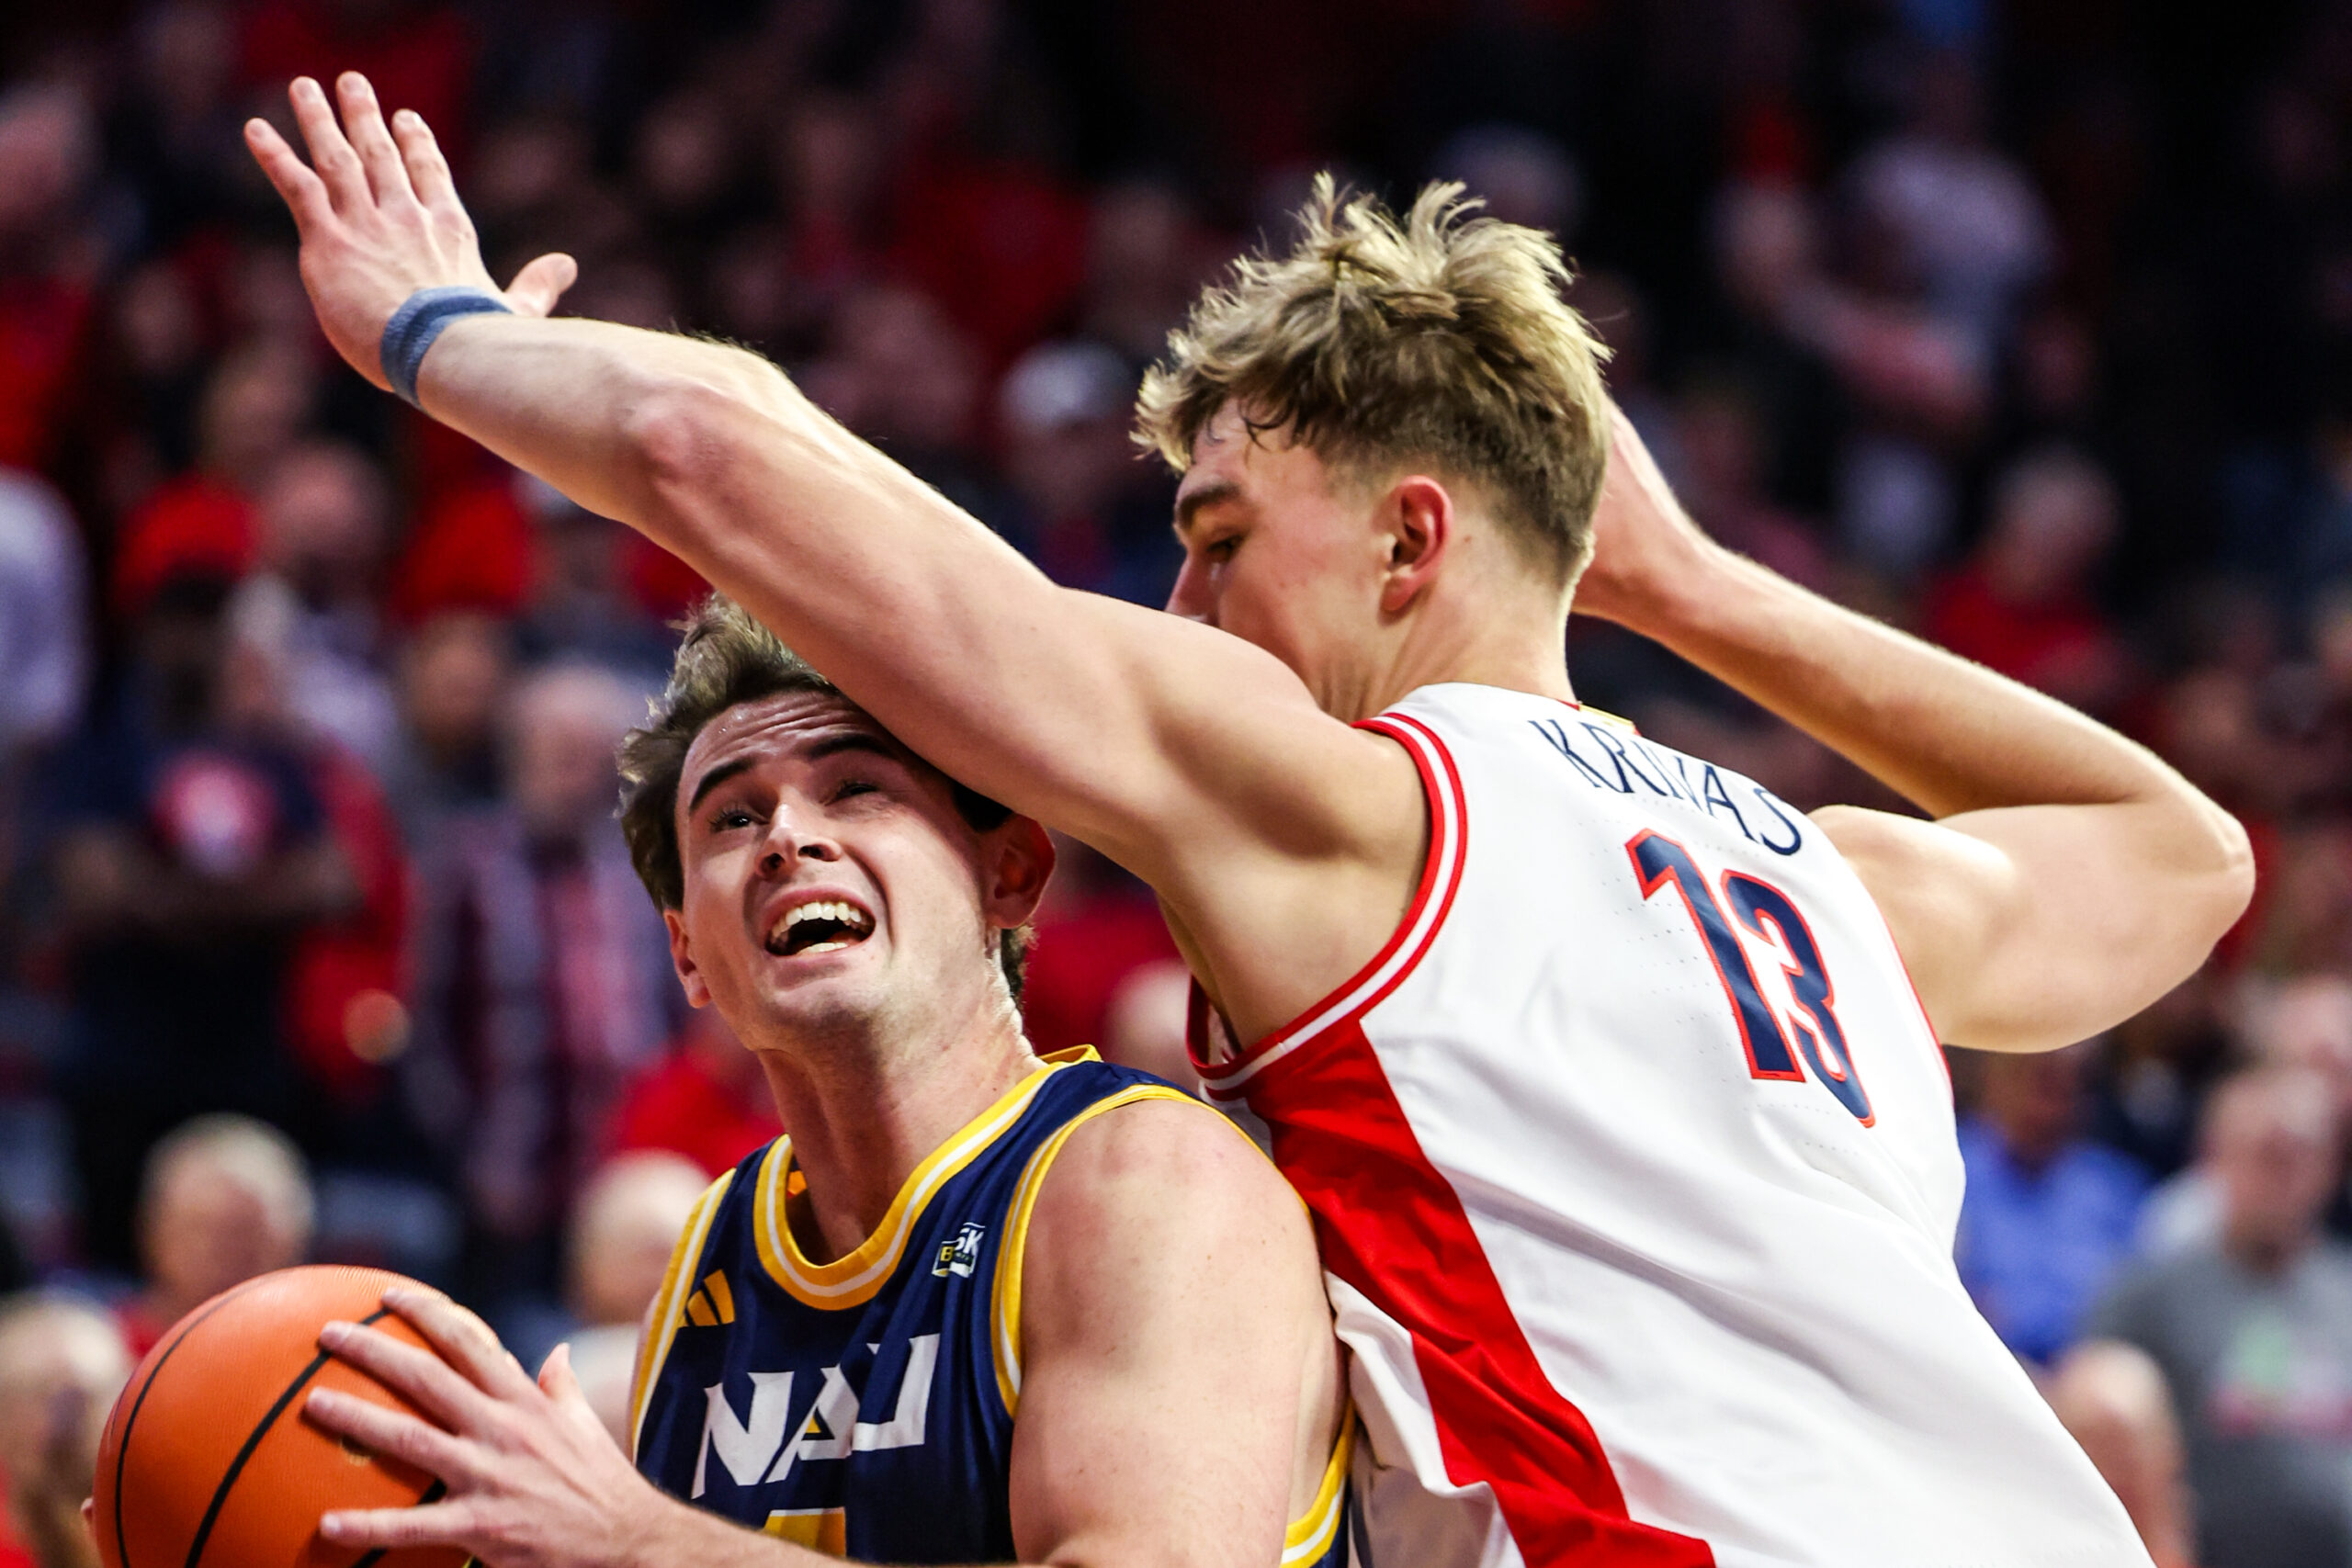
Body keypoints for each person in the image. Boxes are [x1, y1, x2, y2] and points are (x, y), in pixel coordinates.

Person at [251, 73, 2252, 1565]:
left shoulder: (1353, 807)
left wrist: (437, 332)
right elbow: (2177, 855)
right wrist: (1690, 587)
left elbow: (712, 449)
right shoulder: (1816, 873)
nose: (1186, 607)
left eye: (1215, 538)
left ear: (1408, 538)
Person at [297, 602, 1353, 1567]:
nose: (790, 838)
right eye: (733, 819)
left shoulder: (1147, 1181)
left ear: (1012, 873)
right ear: (686, 958)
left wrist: (633, 1540)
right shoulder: (717, 1254)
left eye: (857, 787)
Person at [2082, 1066, 2352, 1568]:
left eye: (2304, 1154)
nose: (2285, 1175)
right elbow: (2092, 1428)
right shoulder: (2149, 1298)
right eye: (2268, 1153)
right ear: (2214, 1157)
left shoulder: (2344, 1291)